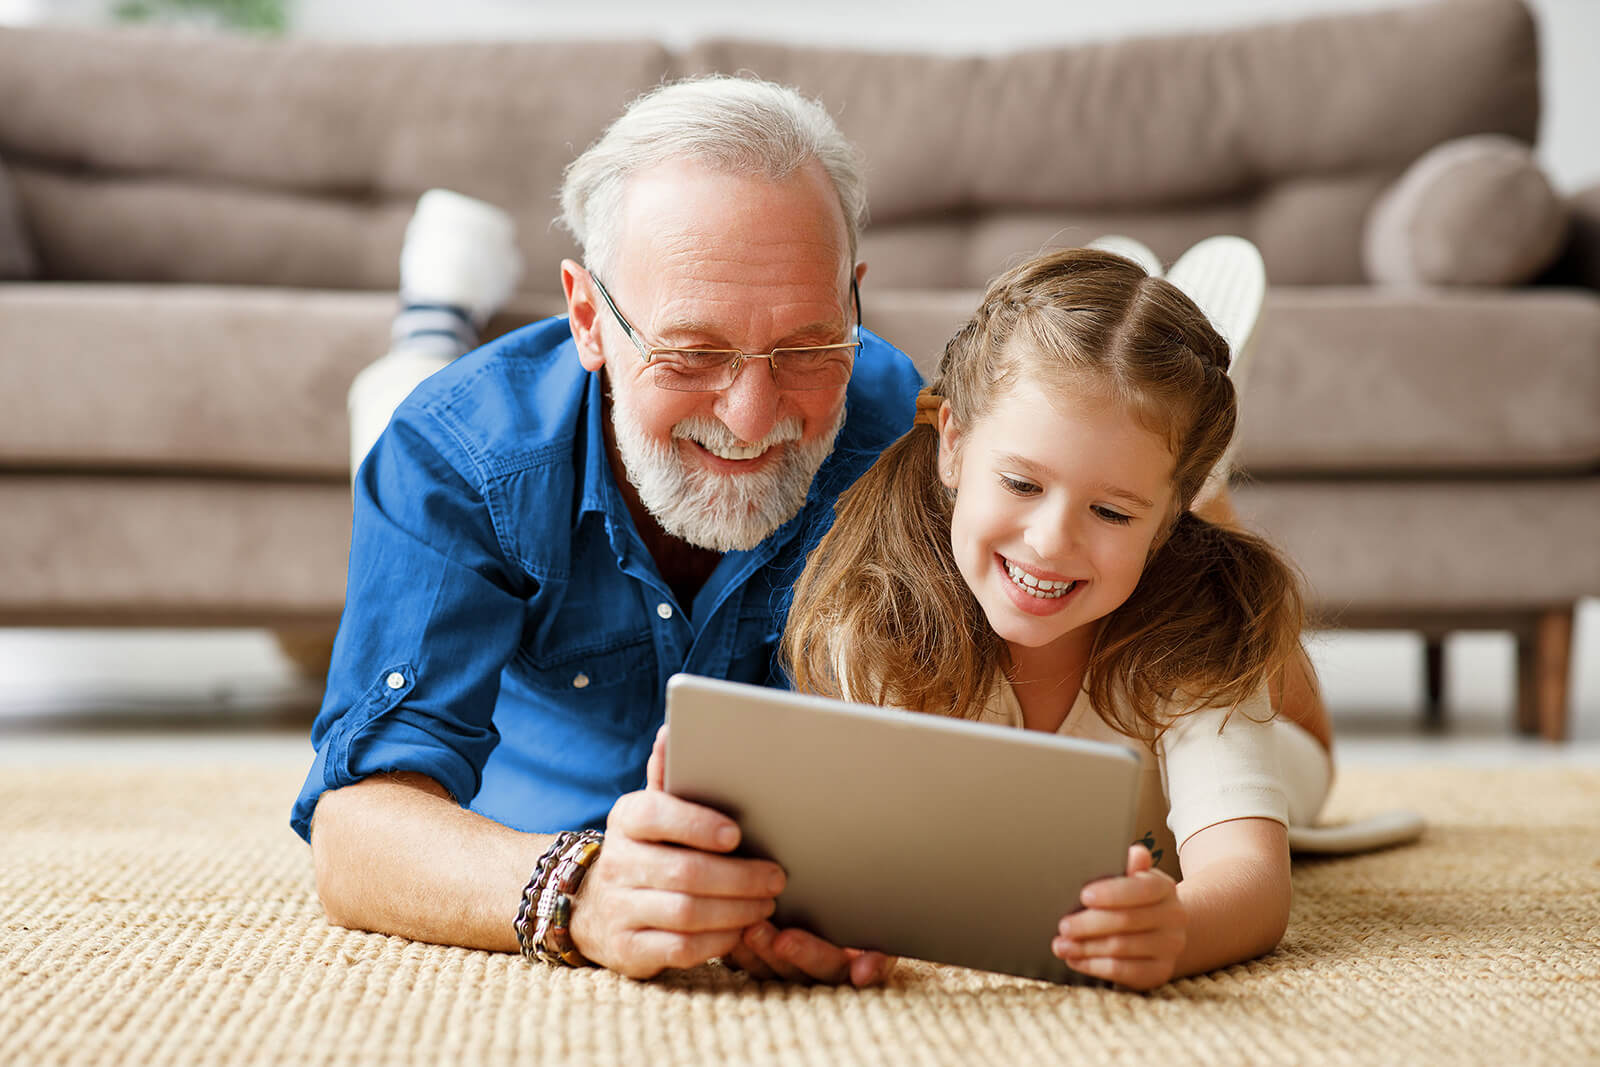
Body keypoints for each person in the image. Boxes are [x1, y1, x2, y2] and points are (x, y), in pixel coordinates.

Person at [293, 75, 916, 985]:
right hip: (472, 434)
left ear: (853, 301)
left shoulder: (906, 435)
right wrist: (575, 891)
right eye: (693, 353)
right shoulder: (453, 453)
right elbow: (356, 830)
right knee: (395, 402)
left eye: (805, 347)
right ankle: (434, 315)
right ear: (587, 317)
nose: (750, 417)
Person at [782, 247, 1356, 990]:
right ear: (951, 443)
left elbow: (1251, 879)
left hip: (1264, 720)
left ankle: (1203, 490)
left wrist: (1181, 928)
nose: (1052, 539)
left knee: (1290, 754)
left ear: (1162, 524)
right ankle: (1155, 453)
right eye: (1021, 482)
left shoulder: (1199, 639)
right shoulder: (880, 614)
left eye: (1110, 509)